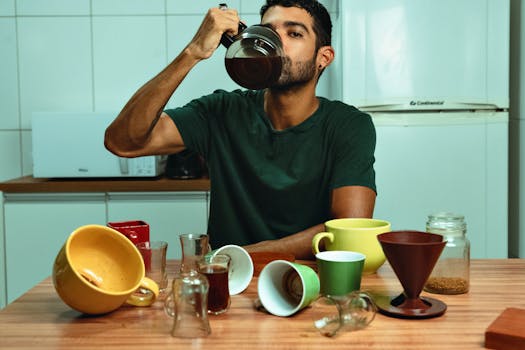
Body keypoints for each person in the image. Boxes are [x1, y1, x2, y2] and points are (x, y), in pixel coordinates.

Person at [104, 0, 377, 260]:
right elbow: (123, 142)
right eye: (268, 32)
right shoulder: (221, 111)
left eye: (294, 33)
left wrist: (248, 254)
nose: (276, 42)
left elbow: (350, 227)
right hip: (229, 281)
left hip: (311, 280)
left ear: (323, 57)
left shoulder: (349, 125)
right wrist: (194, 52)